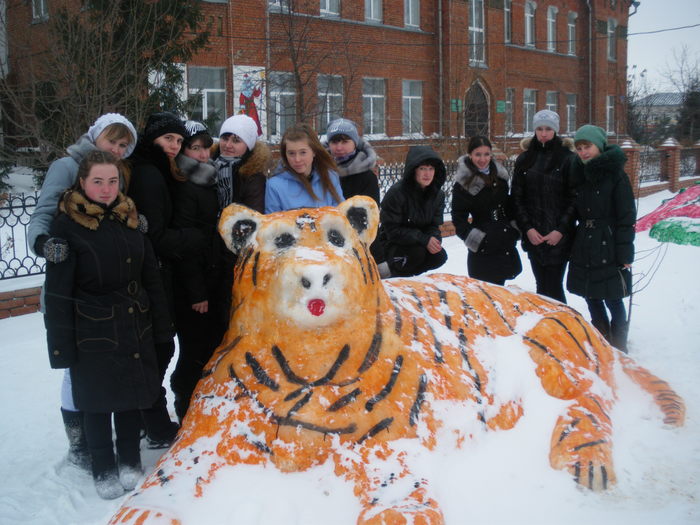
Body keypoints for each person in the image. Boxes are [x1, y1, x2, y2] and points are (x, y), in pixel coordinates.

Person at [43, 151, 172, 499]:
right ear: (82, 183)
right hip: (92, 328)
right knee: (97, 403)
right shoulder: (66, 226)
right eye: (97, 181)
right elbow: (57, 294)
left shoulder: (131, 219)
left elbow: (150, 278)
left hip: (134, 323)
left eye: (112, 181)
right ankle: (103, 467)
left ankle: (129, 460)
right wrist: (61, 347)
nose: (105, 189)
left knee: (130, 397)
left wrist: (161, 325)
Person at [27, 112, 137, 472]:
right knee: (75, 368)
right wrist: (45, 243)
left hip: (104, 290)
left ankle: (102, 436)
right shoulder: (66, 165)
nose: (117, 149)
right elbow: (43, 212)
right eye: (112, 140)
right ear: (95, 134)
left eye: (123, 145)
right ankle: (79, 443)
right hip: (69, 281)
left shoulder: (115, 172)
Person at [128, 111, 205, 447]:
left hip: (157, 270)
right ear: (152, 140)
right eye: (168, 139)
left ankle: (146, 422)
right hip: (153, 272)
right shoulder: (149, 173)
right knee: (159, 348)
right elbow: (156, 235)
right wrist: (197, 236)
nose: (174, 146)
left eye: (178, 140)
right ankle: (154, 424)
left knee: (158, 347)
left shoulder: (158, 169)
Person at [169, 122, 227, 422]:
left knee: (210, 347)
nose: (203, 153)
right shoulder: (184, 185)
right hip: (194, 288)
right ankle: (184, 407)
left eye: (206, 147)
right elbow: (185, 243)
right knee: (193, 350)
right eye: (195, 147)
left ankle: (203, 407)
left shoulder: (206, 179)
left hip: (212, 279)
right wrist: (197, 293)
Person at [567, 125, 636, 352]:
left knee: (613, 297)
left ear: (599, 146)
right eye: (579, 148)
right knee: (590, 295)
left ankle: (619, 345)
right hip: (584, 242)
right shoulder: (578, 174)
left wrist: (625, 253)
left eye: (587, 146)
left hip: (608, 243)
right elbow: (573, 209)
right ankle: (603, 340)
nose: (583, 152)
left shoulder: (616, 175)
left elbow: (626, 216)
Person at [512, 110, 576, 301]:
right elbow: (517, 197)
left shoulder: (567, 158)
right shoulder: (525, 159)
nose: (544, 133)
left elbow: (574, 198)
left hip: (558, 236)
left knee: (555, 286)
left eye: (548, 129)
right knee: (541, 287)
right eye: (539, 128)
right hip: (535, 235)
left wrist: (561, 230)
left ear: (555, 130)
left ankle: (563, 327)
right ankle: (547, 328)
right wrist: (528, 228)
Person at [451, 136, 521, 285]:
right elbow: (458, 219)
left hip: (503, 240)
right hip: (483, 246)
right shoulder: (463, 184)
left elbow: (508, 206)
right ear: (470, 155)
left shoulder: (500, 177)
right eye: (478, 154)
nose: (482, 159)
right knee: (484, 295)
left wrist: (513, 229)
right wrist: (477, 240)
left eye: (486, 154)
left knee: (501, 293)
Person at [324, 118, 386, 273]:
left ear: (355, 143)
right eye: (334, 142)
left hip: (358, 245)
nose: (339, 147)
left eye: (345, 141)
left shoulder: (366, 176)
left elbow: (369, 217)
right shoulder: (321, 172)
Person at [379, 145, 448, 277]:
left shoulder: (438, 195)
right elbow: (391, 231)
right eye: (422, 168)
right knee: (417, 253)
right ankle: (391, 274)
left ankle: (412, 278)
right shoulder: (397, 193)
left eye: (431, 169)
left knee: (439, 256)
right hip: (392, 244)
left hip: (418, 244)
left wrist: (434, 239)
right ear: (413, 170)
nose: (427, 174)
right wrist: (423, 239)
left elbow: (434, 224)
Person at [265, 122, 344, 213]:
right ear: (285, 155)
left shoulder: (330, 177)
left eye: (303, 152)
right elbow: (272, 223)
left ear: (314, 151)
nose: (297, 159)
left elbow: (341, 216)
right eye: (291, 153)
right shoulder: (275, 185)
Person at [212, 114, 269, 214]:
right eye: (225, 138)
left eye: (236, 141)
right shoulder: (207, 165)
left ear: (248, 146)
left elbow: (252, 217)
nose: (228, 145)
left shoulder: (253, 177)